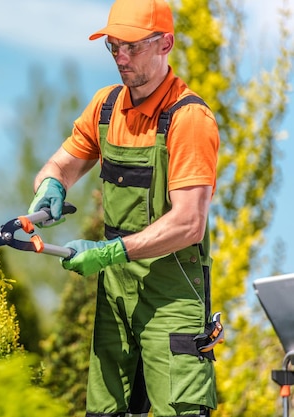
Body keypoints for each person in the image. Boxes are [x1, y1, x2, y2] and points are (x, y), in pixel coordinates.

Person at [28, 0, 221, 416]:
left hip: (172, 294)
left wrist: (110, 252)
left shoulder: (188, 119)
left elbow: (189, 223)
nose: (121, 58)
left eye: (133, 47)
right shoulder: (106, 106)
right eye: (113, 46)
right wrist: (50, 185)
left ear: (165, 43)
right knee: (104, 411)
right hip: (115, 292)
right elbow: (61, 164)